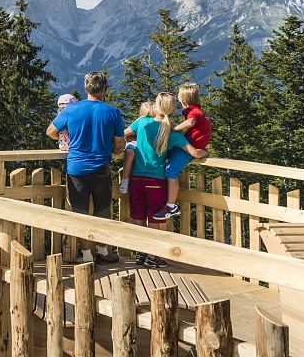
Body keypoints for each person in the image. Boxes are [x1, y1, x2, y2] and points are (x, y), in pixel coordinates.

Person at [46, 71, 125, 264]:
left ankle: (87, 256)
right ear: (105, 90)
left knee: (80, 211)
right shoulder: (112, 112)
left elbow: (51, 132)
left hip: (76, 169)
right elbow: (120, 143)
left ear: (86, 89)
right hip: (101, 168)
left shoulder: (71, 110)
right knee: (103, 209)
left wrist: (69, 142)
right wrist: (114, 152)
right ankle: (104, 251)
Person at [126, 92, 209, 267]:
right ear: (172, 110)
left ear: (156, 106)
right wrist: (206, 153)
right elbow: (194, 153)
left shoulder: (141, 123)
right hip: (156, 182)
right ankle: (152, 256)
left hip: (136, 179)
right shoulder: (172, 133)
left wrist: (132, 144)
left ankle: (141, 254)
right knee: (154, 221)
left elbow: (123, 133)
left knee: (138, 218)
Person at [152, 84, 212, 221]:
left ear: (184, 100)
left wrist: (176, 128)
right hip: (192, 145)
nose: (177, 99)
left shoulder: (193, 112)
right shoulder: (199, 110)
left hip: (190, 148)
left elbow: (191, 122)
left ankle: (171, 206)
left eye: (179, 97)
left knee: (171, 171)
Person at [119, 101, 154, 194]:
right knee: (130, 152)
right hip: (135, 143)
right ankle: (125, 179)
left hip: (147, 146)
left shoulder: (157, 123)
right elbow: (124, 133)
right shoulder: (139, 121)